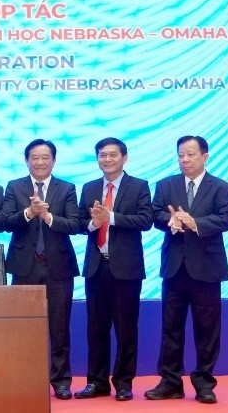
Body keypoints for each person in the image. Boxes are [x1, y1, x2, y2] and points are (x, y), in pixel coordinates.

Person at [145, 136, 228, 405]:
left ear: (205, 156)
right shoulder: (166, 185)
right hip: (174, 267)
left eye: (191, 155)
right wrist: (171, 220)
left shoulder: (223, 187)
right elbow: (154, 214)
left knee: (207, 329)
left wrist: (195, 222)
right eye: (181, 155)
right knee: (171, 327)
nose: (185, 160)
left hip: (207, 268)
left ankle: (204, 383)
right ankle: (170, 382)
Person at [74, 138, 153, 402]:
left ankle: (123, 382)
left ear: (124, 158)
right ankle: (96, 382)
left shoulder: (139, 186)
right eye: (102, 155)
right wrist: (95, 223)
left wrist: (113, 218)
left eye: (112, 155)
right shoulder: (89, 188)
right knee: (96, 327)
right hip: (96, 267)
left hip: (126, 269)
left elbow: (145, 220)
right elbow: (80, 223)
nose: (107, 160)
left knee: (125, 327)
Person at [2, 138, 80, 400]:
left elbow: (74, 224)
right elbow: (6, 222)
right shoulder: (14, 187)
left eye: (45, 157)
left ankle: (61, 381)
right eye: (34, 157)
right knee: (23, 328)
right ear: (26, 161)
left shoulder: (66, 188)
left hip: (59, 268)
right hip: (25, 268)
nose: (40, 162)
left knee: (60, 328)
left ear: (54, 160)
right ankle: (26, 378)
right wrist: (29, 212)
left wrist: (48, 217)